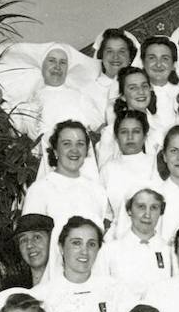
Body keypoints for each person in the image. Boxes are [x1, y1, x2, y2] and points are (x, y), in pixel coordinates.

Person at [22, 119, 109, 278]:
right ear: (55, 151)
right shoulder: (40, 190)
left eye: (80, 144)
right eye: (67, 144)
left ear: (87, 150)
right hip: (54, 279)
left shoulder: (98, 191)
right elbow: (31, 244)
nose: (74, 150)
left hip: (94, 278)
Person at [104, 188, 173, 300]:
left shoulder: (169, 252)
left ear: (161, 212)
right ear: (129, 210)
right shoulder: (109, 251)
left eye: (154, 208)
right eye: (141, 207)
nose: (147, 214)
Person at [99, 109, 157, 231]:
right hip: (118, 235)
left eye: (136, 132)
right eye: (124, 132)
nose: (130, 137)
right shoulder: (108, 169)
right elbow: (106, 213)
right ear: (116, 137)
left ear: (145, 136)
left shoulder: (155, 164)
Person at [13, 213, 54, 287]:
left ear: (51, 240)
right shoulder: (15, 288)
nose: (29, 245)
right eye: (23, 240)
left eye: (37, 237)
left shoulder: (69, 283)